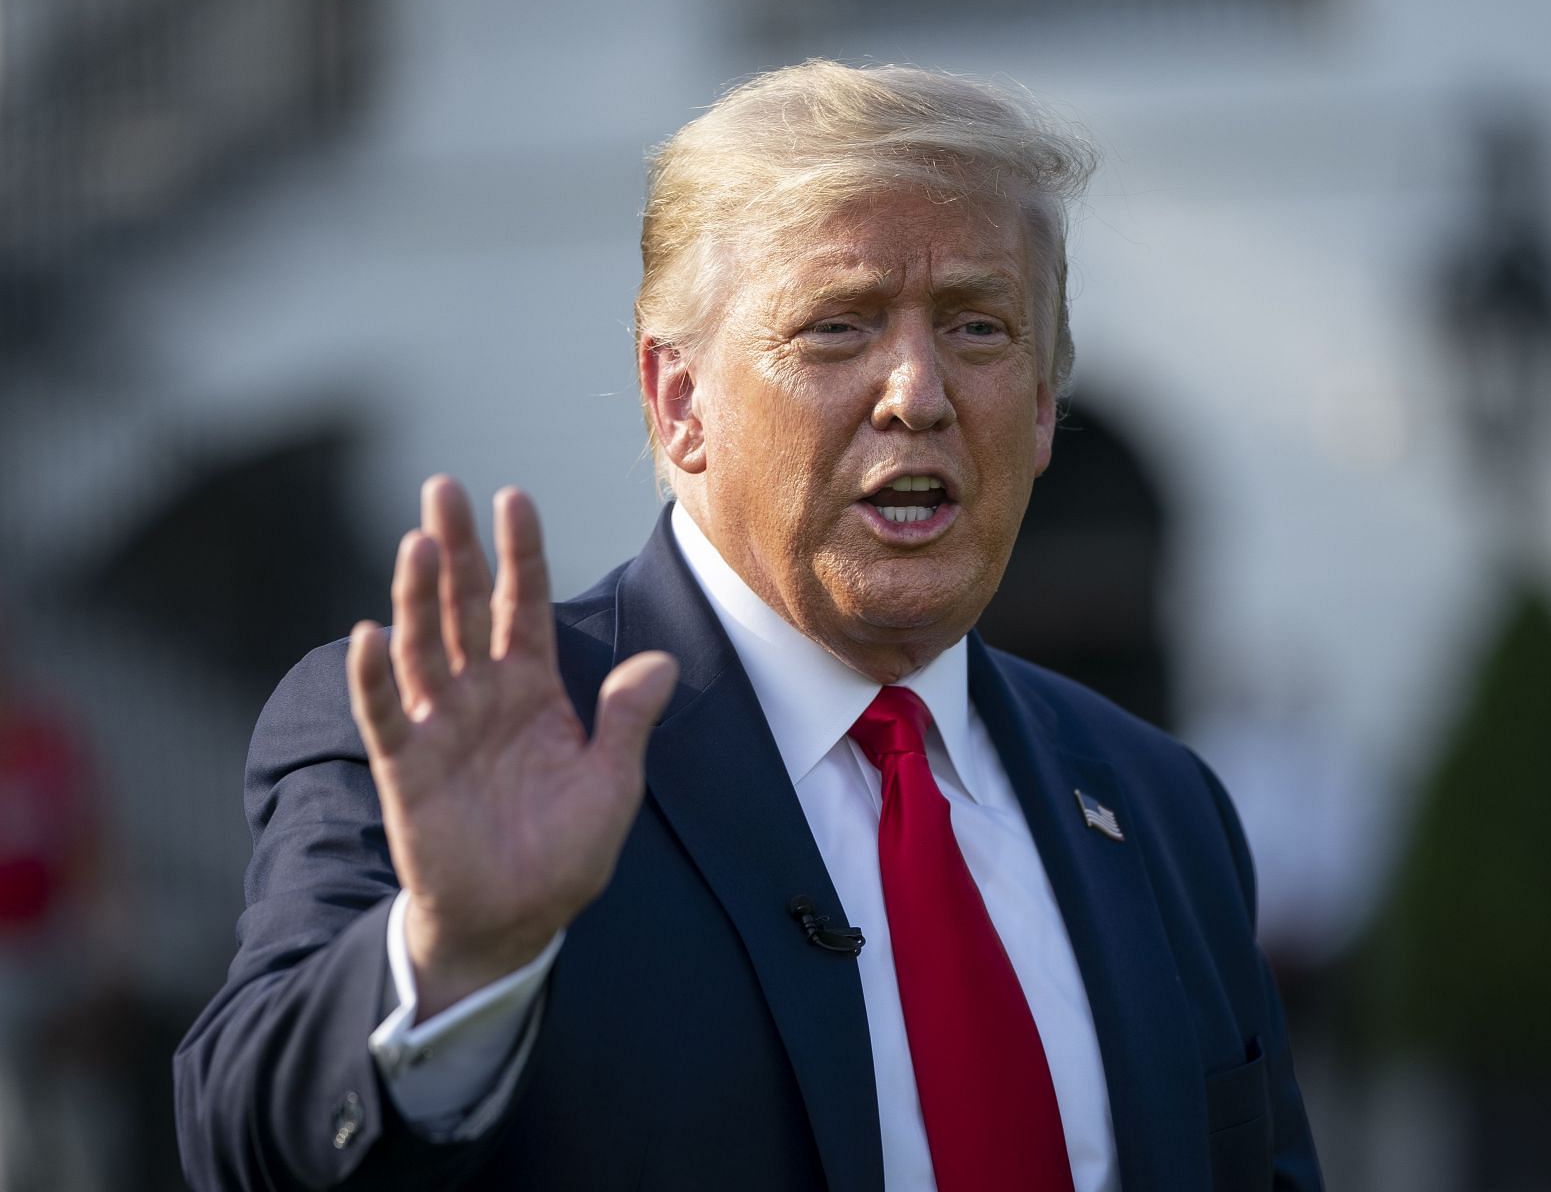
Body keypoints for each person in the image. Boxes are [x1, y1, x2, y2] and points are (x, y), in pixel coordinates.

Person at [174, 60, 1321, 1191]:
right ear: (680, 402)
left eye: (978, 328)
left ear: (1037, 411)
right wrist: (449, 965)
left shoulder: (1163, 805)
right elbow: (246, 1142)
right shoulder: (462, 743)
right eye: (837, 327)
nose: (917, 390)